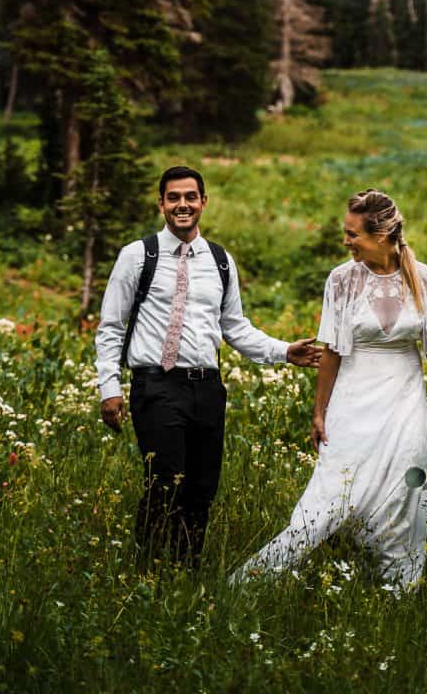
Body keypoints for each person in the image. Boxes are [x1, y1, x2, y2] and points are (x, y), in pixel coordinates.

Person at [232, 188, 427, 591]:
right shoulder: (342, 279)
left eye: (353, 234)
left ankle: (398, 586)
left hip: (404, 400)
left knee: (402, 491)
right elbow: (333, 352)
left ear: (382, 234)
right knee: (331, 491)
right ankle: (259, 579)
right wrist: (319, 411)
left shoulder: (425, 280)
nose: (346, 242)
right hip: (352, 399)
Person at [95, 165, 321, 566]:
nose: (183, 205)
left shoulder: (220, 260)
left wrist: (285, 351)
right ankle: (148, 570)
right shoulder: (137, 256)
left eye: (190, 197)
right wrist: (109, 387)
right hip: (156, 385)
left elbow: (235, 326)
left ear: (203, 201)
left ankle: (186, 570)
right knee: (164, 483)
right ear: (161, 203)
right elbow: (111, 326)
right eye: (174, 198)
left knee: (201, 488)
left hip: (207, 389)